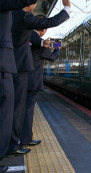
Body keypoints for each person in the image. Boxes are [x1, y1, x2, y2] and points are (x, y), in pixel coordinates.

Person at [0, 0, 52, 172]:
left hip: (8, 65)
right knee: (7, 111)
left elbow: (11, 4)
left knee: (8, 110)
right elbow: (23, 0)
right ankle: (6, 152)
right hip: (5, 65)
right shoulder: (19, 13)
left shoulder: (7, 5)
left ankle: (9, 148)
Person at [8, 0, 71, 155]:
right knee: (18, 110)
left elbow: (35, 41)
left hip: (12, 67)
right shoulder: (23, 17)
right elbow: (49, 22)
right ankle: (13, 145)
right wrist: (67, 8)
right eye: (33, 0)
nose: (34, 4)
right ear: (27, 0)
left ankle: (15, 142)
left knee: (13, 108)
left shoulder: (10, 14)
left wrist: (45, 43)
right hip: (20, 69)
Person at [20, 16, 60, 146]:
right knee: (28, 111)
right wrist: (57, 48)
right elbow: (51, 57)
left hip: (22, 79)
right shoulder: (38, 40)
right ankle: (25, 139)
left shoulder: (26, 35)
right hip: (32, 81)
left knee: (20, 109)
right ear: (44, 29)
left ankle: (19, 138)